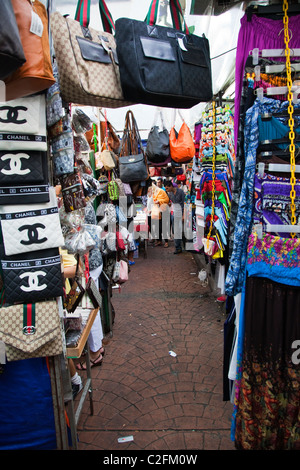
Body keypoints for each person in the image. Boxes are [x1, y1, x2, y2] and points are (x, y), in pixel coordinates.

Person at [164, 180, 185, 254]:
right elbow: (171, 203)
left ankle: (180, 247)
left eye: (167, 188)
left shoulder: (180, 192)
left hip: (181, 212)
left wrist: (183, 215)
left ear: (171, 186)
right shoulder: (170, 194)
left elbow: (185, 203)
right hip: (174, 213)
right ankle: (178, 247)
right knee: (175, 231)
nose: (166, 190)